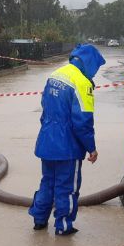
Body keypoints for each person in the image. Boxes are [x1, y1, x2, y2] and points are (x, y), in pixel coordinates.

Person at [29, 44, 106, 235]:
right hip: (68, 147)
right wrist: (92, 148)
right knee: (67, 187)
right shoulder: (81, 82)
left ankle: (39, 219)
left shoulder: (55, 74)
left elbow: (44, 109)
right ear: (90, 63)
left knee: (47, 182)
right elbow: (83, 122)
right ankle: (63, 226)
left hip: (47, 141)